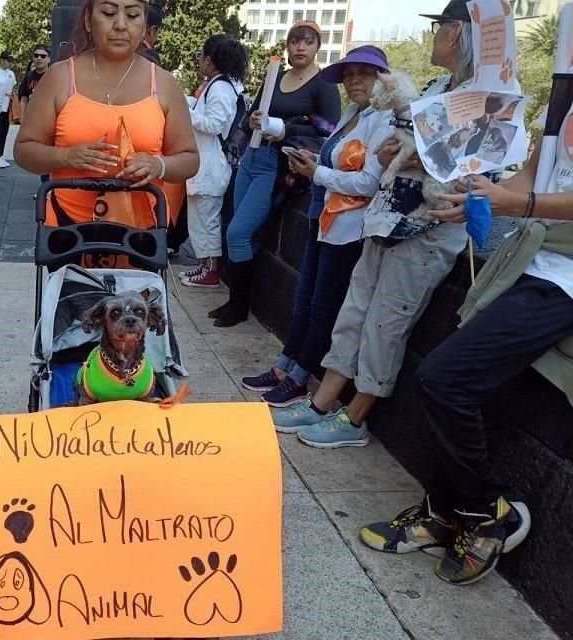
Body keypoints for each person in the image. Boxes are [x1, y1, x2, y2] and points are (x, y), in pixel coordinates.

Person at [269, 0, 501, 448]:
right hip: (387, 218)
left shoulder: (479, 98)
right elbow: (390, 152)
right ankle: (323, 399)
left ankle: (355, 418)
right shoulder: (435, 87)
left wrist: (419, 157)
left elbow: (480, 171)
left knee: (385, 323)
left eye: (440, 29)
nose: (434, 37)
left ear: (456, 34)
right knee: (354, 312)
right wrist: (397, 152)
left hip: (427, 227)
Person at [356, 125, 573, 585]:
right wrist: (476, 196)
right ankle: (440, 516)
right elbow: (533, 175)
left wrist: (517, 205)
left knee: (442, 379)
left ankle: (487, 510)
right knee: (475, 397)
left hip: (565, 281)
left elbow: (524, 198)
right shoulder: (564, 97)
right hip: (522, 265)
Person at [242, 46, 394, 407]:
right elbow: (337, 158)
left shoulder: (386, 120)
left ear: (382, 79)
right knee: (306, 298)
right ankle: (284, 366)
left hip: (350, 228)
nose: (354, 80)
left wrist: (318, 173)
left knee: (324, 304)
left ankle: (299, 376)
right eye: (348, 74)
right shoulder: (354, 114)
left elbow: (369, 183)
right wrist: (314, 160)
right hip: (325, 217)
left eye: (364, 73)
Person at [12, 0, 199, 227]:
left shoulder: (165, 83)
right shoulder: (59, 77)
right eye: (109, 13)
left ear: (144, 25)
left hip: (141, 232)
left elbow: (189, 159)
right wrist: (66, 156)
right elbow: (24, 151)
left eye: (132, 15)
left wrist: (159, 165)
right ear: (88, 21)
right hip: (67, 228)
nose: (120, 25)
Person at [211, 20, 341, 327]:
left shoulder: (323, 84)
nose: (300, 47)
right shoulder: (277, 77)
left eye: (307, 42)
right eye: (295, 41)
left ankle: (239, 306)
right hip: (253, 155)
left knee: (238, 232)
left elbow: (330, 128)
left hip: (278, 164)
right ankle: (236, 300)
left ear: (317, 46)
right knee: (239, 228)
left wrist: (287, 129)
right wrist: (256, 118)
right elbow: (253, 112)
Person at [178, 35, 247, 288]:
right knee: (199, 221)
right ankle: (204, 265)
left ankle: (211, 271)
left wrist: (188, 113)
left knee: (207, 222)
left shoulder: (220, 87)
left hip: (211, 166)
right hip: (204, 165)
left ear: (209, 59)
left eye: (201, 56)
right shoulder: (217, 85)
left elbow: (214, 123)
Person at [19, 44, 53, 188]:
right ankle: (46, 188)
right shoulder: (29, 77)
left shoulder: (54, 75)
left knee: (54, 155)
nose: (39, 58)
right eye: (36, 55)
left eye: (43, 56)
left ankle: (54, 188)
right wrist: (23, 118)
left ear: (49, 59)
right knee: (42, 156)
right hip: (36, 123)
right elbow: (24, 98)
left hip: (53, 121)